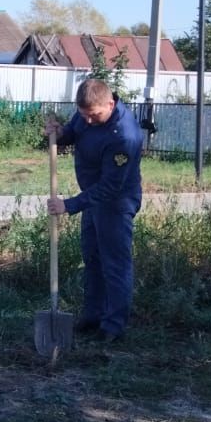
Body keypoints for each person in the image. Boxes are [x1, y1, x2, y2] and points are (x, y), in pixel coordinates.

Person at [47, 78, 145, 344]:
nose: (88, 120)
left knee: (114, 264)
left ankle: (113, 326)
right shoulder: (87, 113)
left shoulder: (125, 136)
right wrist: (61, 133)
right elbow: (75, 130)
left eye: (94, 115)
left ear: (110, 104)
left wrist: (69, 205)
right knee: (92, 258)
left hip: (115, 203)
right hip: (93, 200)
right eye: (83, 115)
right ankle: (93, 315)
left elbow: (111, 187)